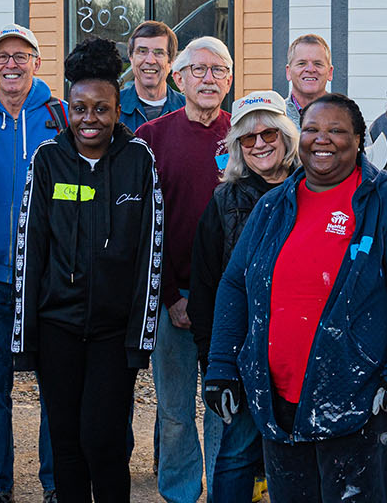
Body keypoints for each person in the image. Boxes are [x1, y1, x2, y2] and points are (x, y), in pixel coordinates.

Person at [205, 93, 387, 501]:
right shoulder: (273, 205)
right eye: (312, 129)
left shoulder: (384, 201)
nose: (322, 139)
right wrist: (222, 366)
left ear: (357, 141)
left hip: (356, 404)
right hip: (279, 403)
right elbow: (234, 283)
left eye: (336, 131)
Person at [11, 37, 163, 503]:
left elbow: (150, 253)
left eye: (101, 108)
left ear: (119, 111)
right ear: (67, 109)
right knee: (66, 442)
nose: (89, 119)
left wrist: (141, 339)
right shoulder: (48, 160)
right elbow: (29, 249)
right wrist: (25, 338)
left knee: (104, 439)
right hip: (58, 326)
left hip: (112, 333)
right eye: (80, 108)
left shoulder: (139, 161)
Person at [0, 22, 64, 503]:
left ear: (36, 63)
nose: (10, 63)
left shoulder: (61, 117)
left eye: (20, 55)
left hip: (47, 278)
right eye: (2, 56)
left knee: (54, 389)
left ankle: (53, 484)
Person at [135, 35, 235, 503]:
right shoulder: (150, 139)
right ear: (179, 78)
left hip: (226, 303)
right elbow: (142, 227)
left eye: (218, 70)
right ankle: (178, 492)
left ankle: (221, 489)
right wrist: (171, 295)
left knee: (222, 406)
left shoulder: (245, 138)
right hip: (169, 298)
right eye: (199, 69)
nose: (209, 78)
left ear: (230, 80)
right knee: (174, 411)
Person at [187, 90, 298, 503]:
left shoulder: (316, 189)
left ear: (287, 136)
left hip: (304, 350)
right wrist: (212, 360)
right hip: (247, 353)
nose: (260, 144)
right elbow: (206, 289)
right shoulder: (224, 201)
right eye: (247, 139)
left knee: (297, 451)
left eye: (269, 132)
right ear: (236, 147)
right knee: (235, 453)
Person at [118, 20, 186, 131]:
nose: (150, 60)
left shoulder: (188, 110)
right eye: (142, 51)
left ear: (171, 62)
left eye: (159, 52)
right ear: (131, 58)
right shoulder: (112, 107)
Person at [283, 34, 334, 123]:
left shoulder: (348, 116)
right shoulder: (275, 117)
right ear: (288, 72)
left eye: (318, 64)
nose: (310, 69)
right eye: (301, 63)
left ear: (330, 72)